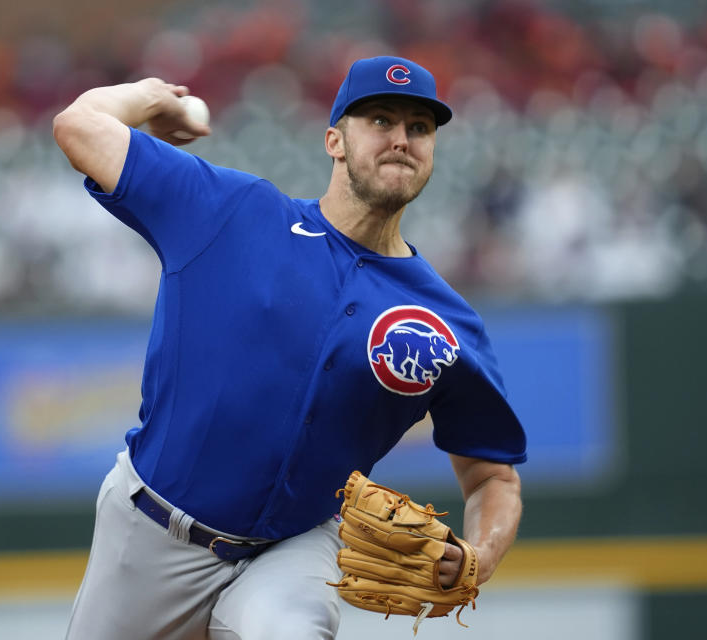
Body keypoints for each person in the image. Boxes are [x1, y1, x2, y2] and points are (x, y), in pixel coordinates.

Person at [53, 55, 527, 640]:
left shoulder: (445, 321)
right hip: (151, 535)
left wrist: (480, 555)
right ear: (334, 139)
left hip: (295, 546)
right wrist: (153, 96)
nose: (401, 138)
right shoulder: (234, 213)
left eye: (420, 128)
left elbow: (492, 477)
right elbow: (79, 126)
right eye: (380, 119)